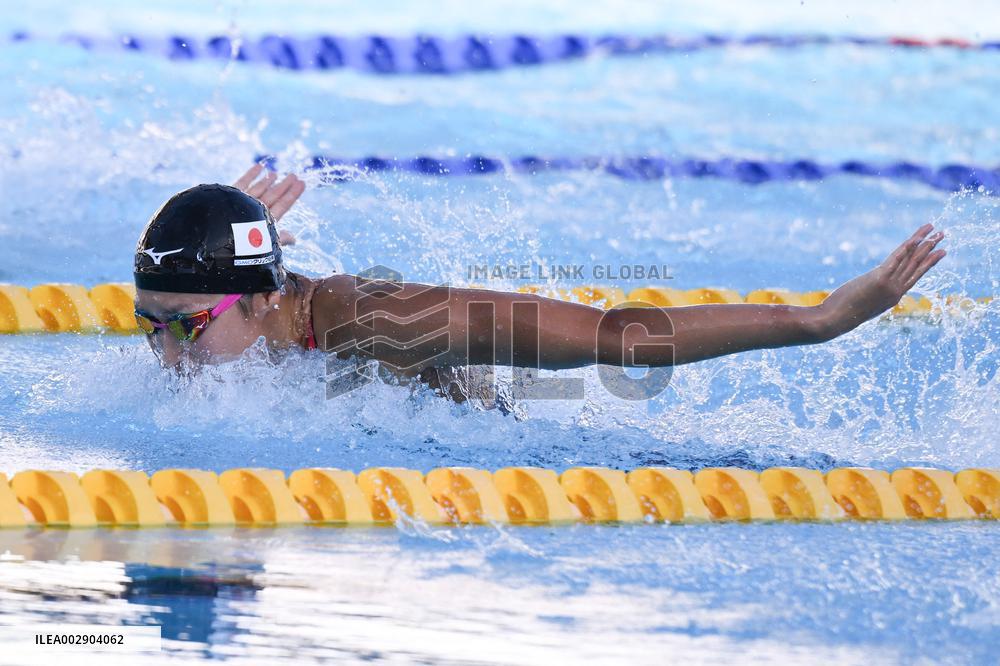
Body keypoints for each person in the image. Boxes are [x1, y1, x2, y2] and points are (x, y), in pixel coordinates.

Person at [133, 165, 946, 404]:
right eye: (150, 326)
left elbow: (614, 337)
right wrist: (231, 233)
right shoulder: (247, 310)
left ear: (266, 299)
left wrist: (819, 320)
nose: (166, 355)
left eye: (187, 328)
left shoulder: (374, 321)